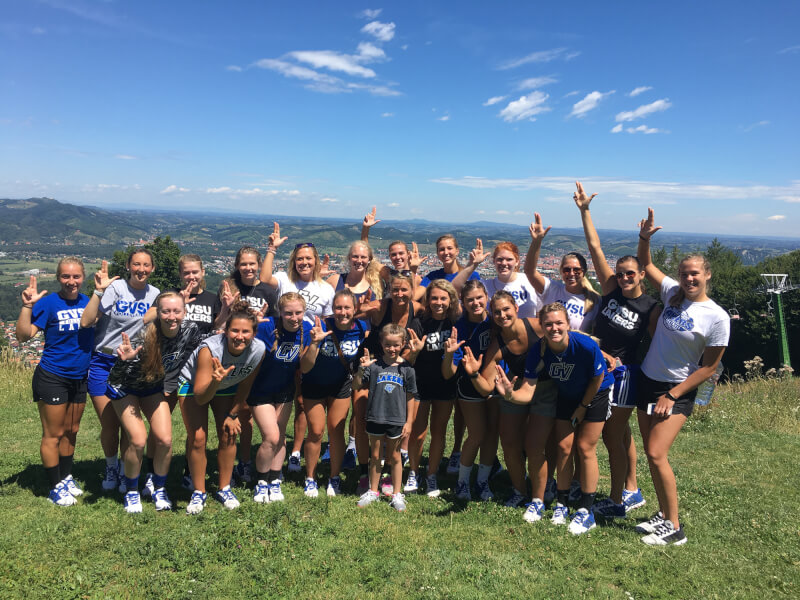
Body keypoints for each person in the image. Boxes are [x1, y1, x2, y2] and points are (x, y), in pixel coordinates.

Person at [634, 208, 729, 546]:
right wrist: (644, 238)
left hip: (676, 390)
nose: (689, 279)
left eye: (695, 275)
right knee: (650, 451)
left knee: (658, 454)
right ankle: (661, 515)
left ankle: (674, 526)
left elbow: (708, 367)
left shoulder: (716, 317)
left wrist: (673, 396)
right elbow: (645, 265)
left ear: (707, 276)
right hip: (647, 379)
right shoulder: (672, 293)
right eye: (685, 274)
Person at [573, 182, 661, 518]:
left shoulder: (650, 307)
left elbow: (657, 343)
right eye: (620, 273)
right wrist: (585, 210)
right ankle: (630, 489)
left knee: (612, 434)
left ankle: (616, 497)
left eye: (630, 274)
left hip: (624, 374)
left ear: (641, 274)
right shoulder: (609, 288)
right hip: (597, 366)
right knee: (619, 432)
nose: (624, 278)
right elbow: (594, 246)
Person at [496, 303, 613, 535]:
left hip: (595, 394)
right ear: (542, 325)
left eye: (559, 323)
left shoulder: (584, 345)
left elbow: (598, 377)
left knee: (585, 446)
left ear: (568, 324)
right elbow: (527, 391)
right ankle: (562, 503)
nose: (554, 328)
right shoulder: (539, 350)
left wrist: (582, 406)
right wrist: (510, 394)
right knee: (562, 447)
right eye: (548, 324)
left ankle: (586, 511)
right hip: (568, 396)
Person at [105, 292, 204, 513]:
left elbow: (195, 351)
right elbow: (116, 377)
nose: (171, 316)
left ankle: (159, 488)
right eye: (165, 311)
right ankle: (132, 491)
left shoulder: (191, 330)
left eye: (176, 311)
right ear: (157, 313)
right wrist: (125, 361)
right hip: (125, 387)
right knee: (139, 440)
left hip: (152, 388)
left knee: (165, 440)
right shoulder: (144, 336)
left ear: (184, 312)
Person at [80, 250, 160, 493]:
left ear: (152, 269)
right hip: (104, 360)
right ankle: (111, 466)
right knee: (109, 423)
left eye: (146, 265)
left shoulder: (155, 294)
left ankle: (128, 469)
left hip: (132, 364)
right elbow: (86, 322)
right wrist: (98, 291)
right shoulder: (115, 289)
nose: (141, 269)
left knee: (129, 423)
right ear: (128, 266)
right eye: (136, 264)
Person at [15, 260, 94, 505]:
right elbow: (23, 336)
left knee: (72, 431)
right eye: (66, 277)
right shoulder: (49, 303)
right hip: (52, 376)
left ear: (83, 277)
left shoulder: (89, 302)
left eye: (76, 276)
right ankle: (54, 486)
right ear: (59, 278)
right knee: (54, 434)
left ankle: (66, 475)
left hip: (79, 377)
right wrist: (28, 306)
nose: (72, 282)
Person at [260, 223, 336, 475]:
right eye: (300, 259)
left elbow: (328, 321)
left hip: (308, 350)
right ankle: (277, 449)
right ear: (294, 261)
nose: (304, 263)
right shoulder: (284, 279)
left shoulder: (325, 289)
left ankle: (294, 451)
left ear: (316, 262)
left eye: (309, 259)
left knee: (303, 403)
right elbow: (264, 278)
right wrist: (271, 249)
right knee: (281, 399)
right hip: (280, 349)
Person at [178, 301, 265, 514]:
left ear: (253, 334)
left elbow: (245, 384)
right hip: (194, 385)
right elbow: (200, 397)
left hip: (227, 384)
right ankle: (199, 491)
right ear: (226, 331)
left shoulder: (258, 350)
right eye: (234, 330)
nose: (239, 336)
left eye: (246, 331)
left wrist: (233, 414)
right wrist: (216, 381)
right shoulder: (211, 349)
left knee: (228, 432)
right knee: (198, 438)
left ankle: (224, 487)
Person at [461, 291, 542, 508]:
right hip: (514, 391)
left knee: (537, 444)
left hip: (546, 390)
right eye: (496, 312)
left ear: (516, 308)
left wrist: (602, 352)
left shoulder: (537, 326)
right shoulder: (497, 345)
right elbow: (487, 387)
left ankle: (543, 489)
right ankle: (519, 490)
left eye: (506, 309)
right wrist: (473, 374)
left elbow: (568, 335)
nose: (502, 315)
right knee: (508, 442)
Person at [300, 290, 369, 497]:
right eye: (338, 307)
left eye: (347, 307)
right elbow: (304, 367)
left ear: (354, 309)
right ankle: (310, 478)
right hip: (314, 385)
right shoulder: (321, 327)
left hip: (340, 386)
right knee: (316, 431)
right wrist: (314, 343)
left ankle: (334, 477)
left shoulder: (361, 328)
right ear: (333, 309)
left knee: (336, 432)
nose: (342, 312)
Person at [358, 272, 423, 492]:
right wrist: (360, 308)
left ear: (412, 291)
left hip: (398, 370)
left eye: (404, 289)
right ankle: (364, 472)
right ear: (389, 291)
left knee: (396, 418)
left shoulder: (418, 308)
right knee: (362, 418)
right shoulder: (380, 305)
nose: (399, 294)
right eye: (395, 290)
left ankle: (392, 472)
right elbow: (357, 312)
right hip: (371, 366)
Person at [220, 246, 279, 485]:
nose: (248, 268)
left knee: (245, 415)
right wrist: (227, 308)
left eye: (252, 264)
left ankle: (244, 462)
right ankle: (230, 462)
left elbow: (275, 323)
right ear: (237, 266)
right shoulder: (228, 288)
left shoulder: (267, 290)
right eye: (243, 264)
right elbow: (220, 322)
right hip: (230, 358)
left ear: (258, 266)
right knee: (231, 413)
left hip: (258, 358)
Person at [248, 292, 314, 504]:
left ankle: (275, 480)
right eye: (288, 313)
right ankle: (261, 481)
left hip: (284, 391)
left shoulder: (308, 331)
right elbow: (241, 341)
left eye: (298, 313)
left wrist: (314, 345)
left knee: (281, 436)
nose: (294, 318)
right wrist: (252, 325)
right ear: (280, 313)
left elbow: (305, 367)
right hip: (260, 390)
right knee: (271, 437)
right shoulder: (267, 326)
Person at [353, 324, 418, 512]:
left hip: (397, 420)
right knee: (374, 455)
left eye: (396, 345)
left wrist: (409, 422)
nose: (392, 348)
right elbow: (357, 386)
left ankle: (397, 494)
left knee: (395, 456)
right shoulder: (373, 367)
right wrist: (360, 369)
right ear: (381, 343)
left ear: (403, 344)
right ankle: (373, 491)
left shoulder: (407, 369)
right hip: (375, 416)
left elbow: (411, 396)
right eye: (388, 345)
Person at [441, 280, 495, 501]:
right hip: (469, 387)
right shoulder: (459, 328)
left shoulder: (495, 321)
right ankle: (463, 481)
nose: (475, 303)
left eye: (479, 298)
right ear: (462, 302)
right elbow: (447, 373)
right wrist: (448, 354)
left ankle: (482, 481)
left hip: (495, 384)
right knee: (477, 434)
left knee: (491, 436)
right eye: (470, 299)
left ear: (487, 298)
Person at [405, 280, 460, 498]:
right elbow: (408, 358)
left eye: (443, 298)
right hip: (420, 383)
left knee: (439, 432)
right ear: (427, 300)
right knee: (418, 433)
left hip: (445, 384)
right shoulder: (419, 323)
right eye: (434, 298)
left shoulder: (455, 323)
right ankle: (413, 472)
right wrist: (416, 350)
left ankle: (432, 474)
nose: (438, 302)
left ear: (451, 300)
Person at [524, 214, 600, 332]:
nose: (571, 273)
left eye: (576, 270)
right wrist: (537, 242)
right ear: (561, 272)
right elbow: (530, 271)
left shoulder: (595, 301)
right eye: (566, 269)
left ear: (584, 272)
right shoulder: (552, 289)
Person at [413, 234, 480, 301]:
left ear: (457, 251)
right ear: (437, 253)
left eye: (449, 248)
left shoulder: (472, 276)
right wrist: (413, 269)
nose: (446, 252)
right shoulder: (432, 277)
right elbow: (413, 298)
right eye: (442, 249)